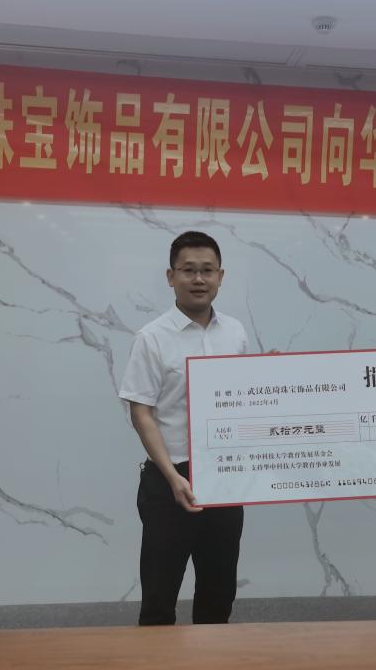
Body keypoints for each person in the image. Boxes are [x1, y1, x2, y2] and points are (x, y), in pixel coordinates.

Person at [119, 230, 249, 626]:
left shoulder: (235, 332)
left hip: (223, 479)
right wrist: (173, 477)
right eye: (188, 270)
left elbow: (242, 399)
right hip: (169, 479)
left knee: (218, 595)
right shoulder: (152, 338)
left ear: (221, 276)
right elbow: (141, 412)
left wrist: (272, 374)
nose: (198, 279)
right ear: (170, 276)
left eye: (207, 270)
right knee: (159, 598)